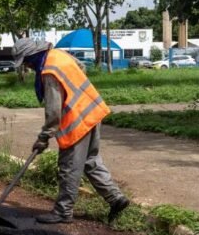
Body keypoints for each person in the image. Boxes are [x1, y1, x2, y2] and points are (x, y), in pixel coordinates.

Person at [12, 38, 130, 225]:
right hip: (92, 110)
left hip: (76, 120)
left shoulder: (49, 71)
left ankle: (63, 211)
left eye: (26, 61)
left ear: (32, 56)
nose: (27, 65)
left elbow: (53, 112)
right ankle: (115, 197)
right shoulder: (58, 55)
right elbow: (81, 67)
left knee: (69, 166)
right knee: (90, 161)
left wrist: (44, 137)